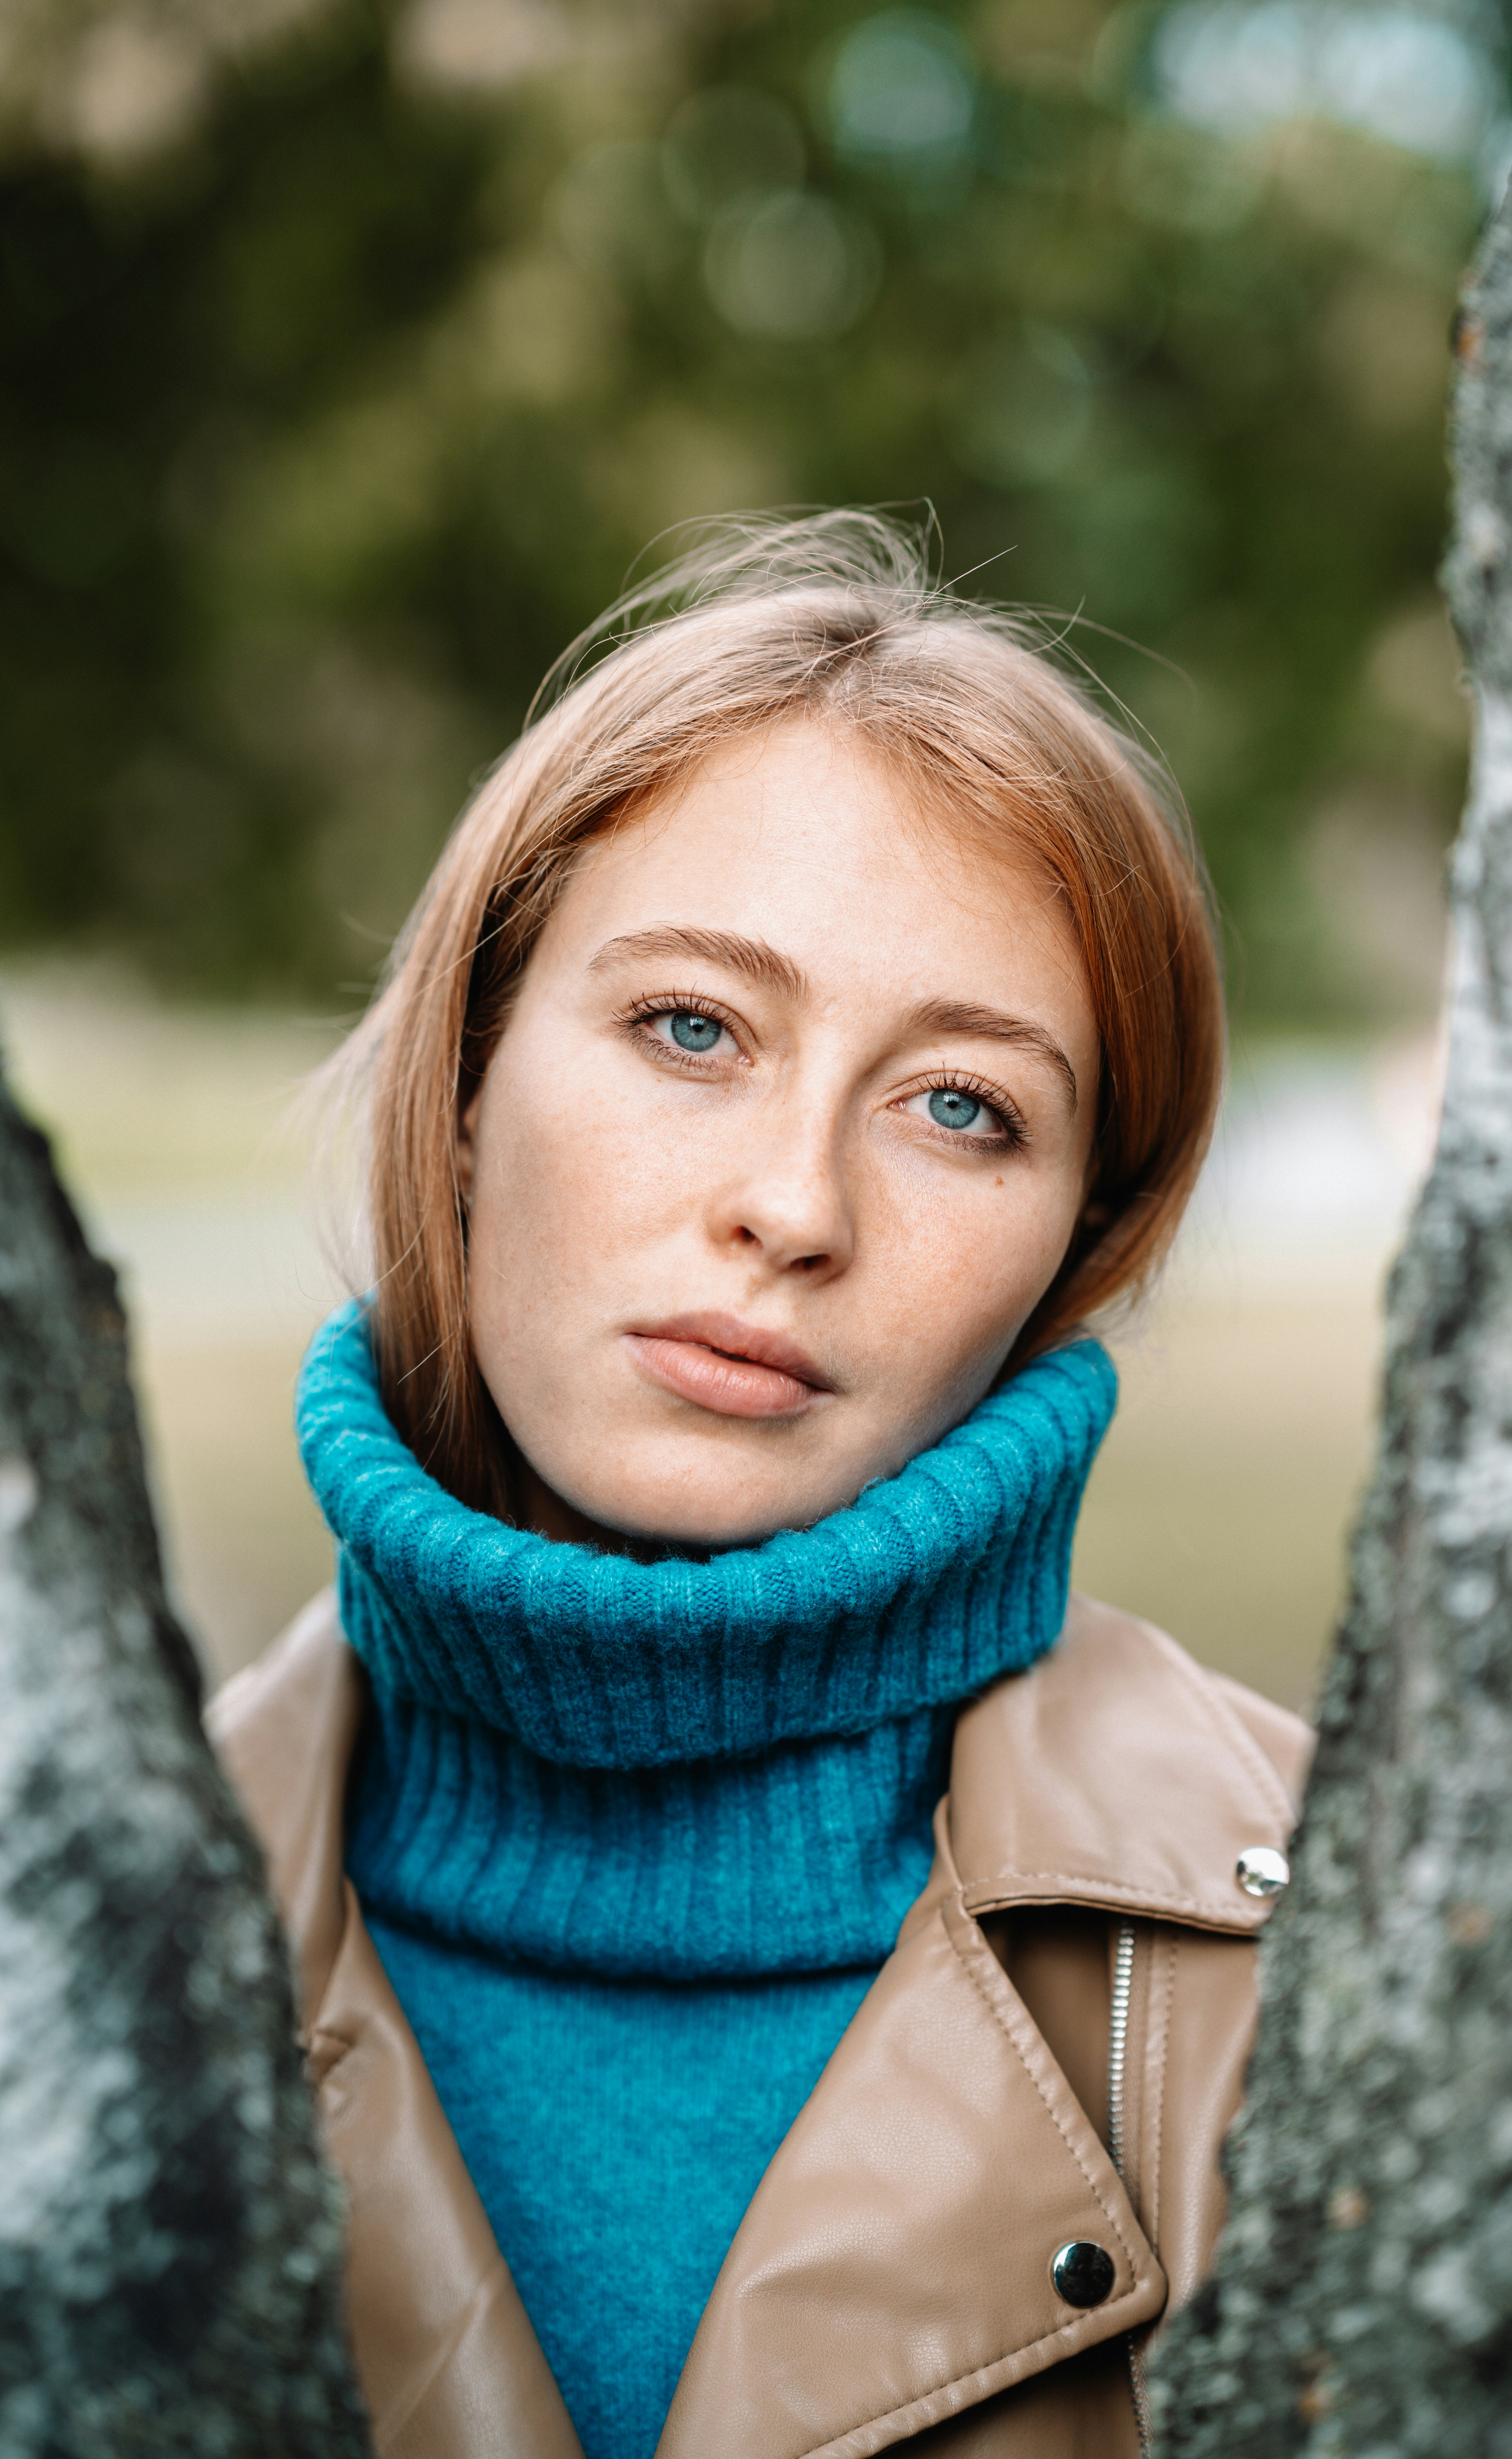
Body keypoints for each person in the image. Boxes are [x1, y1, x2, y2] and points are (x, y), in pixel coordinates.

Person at [209, 514, 1308, 2459]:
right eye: (690, 1027)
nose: (793, 1208)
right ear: (468, 1074)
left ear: (1076, 1239)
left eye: (962, 1106)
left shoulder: (1347, 1953)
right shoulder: (93, 1916)